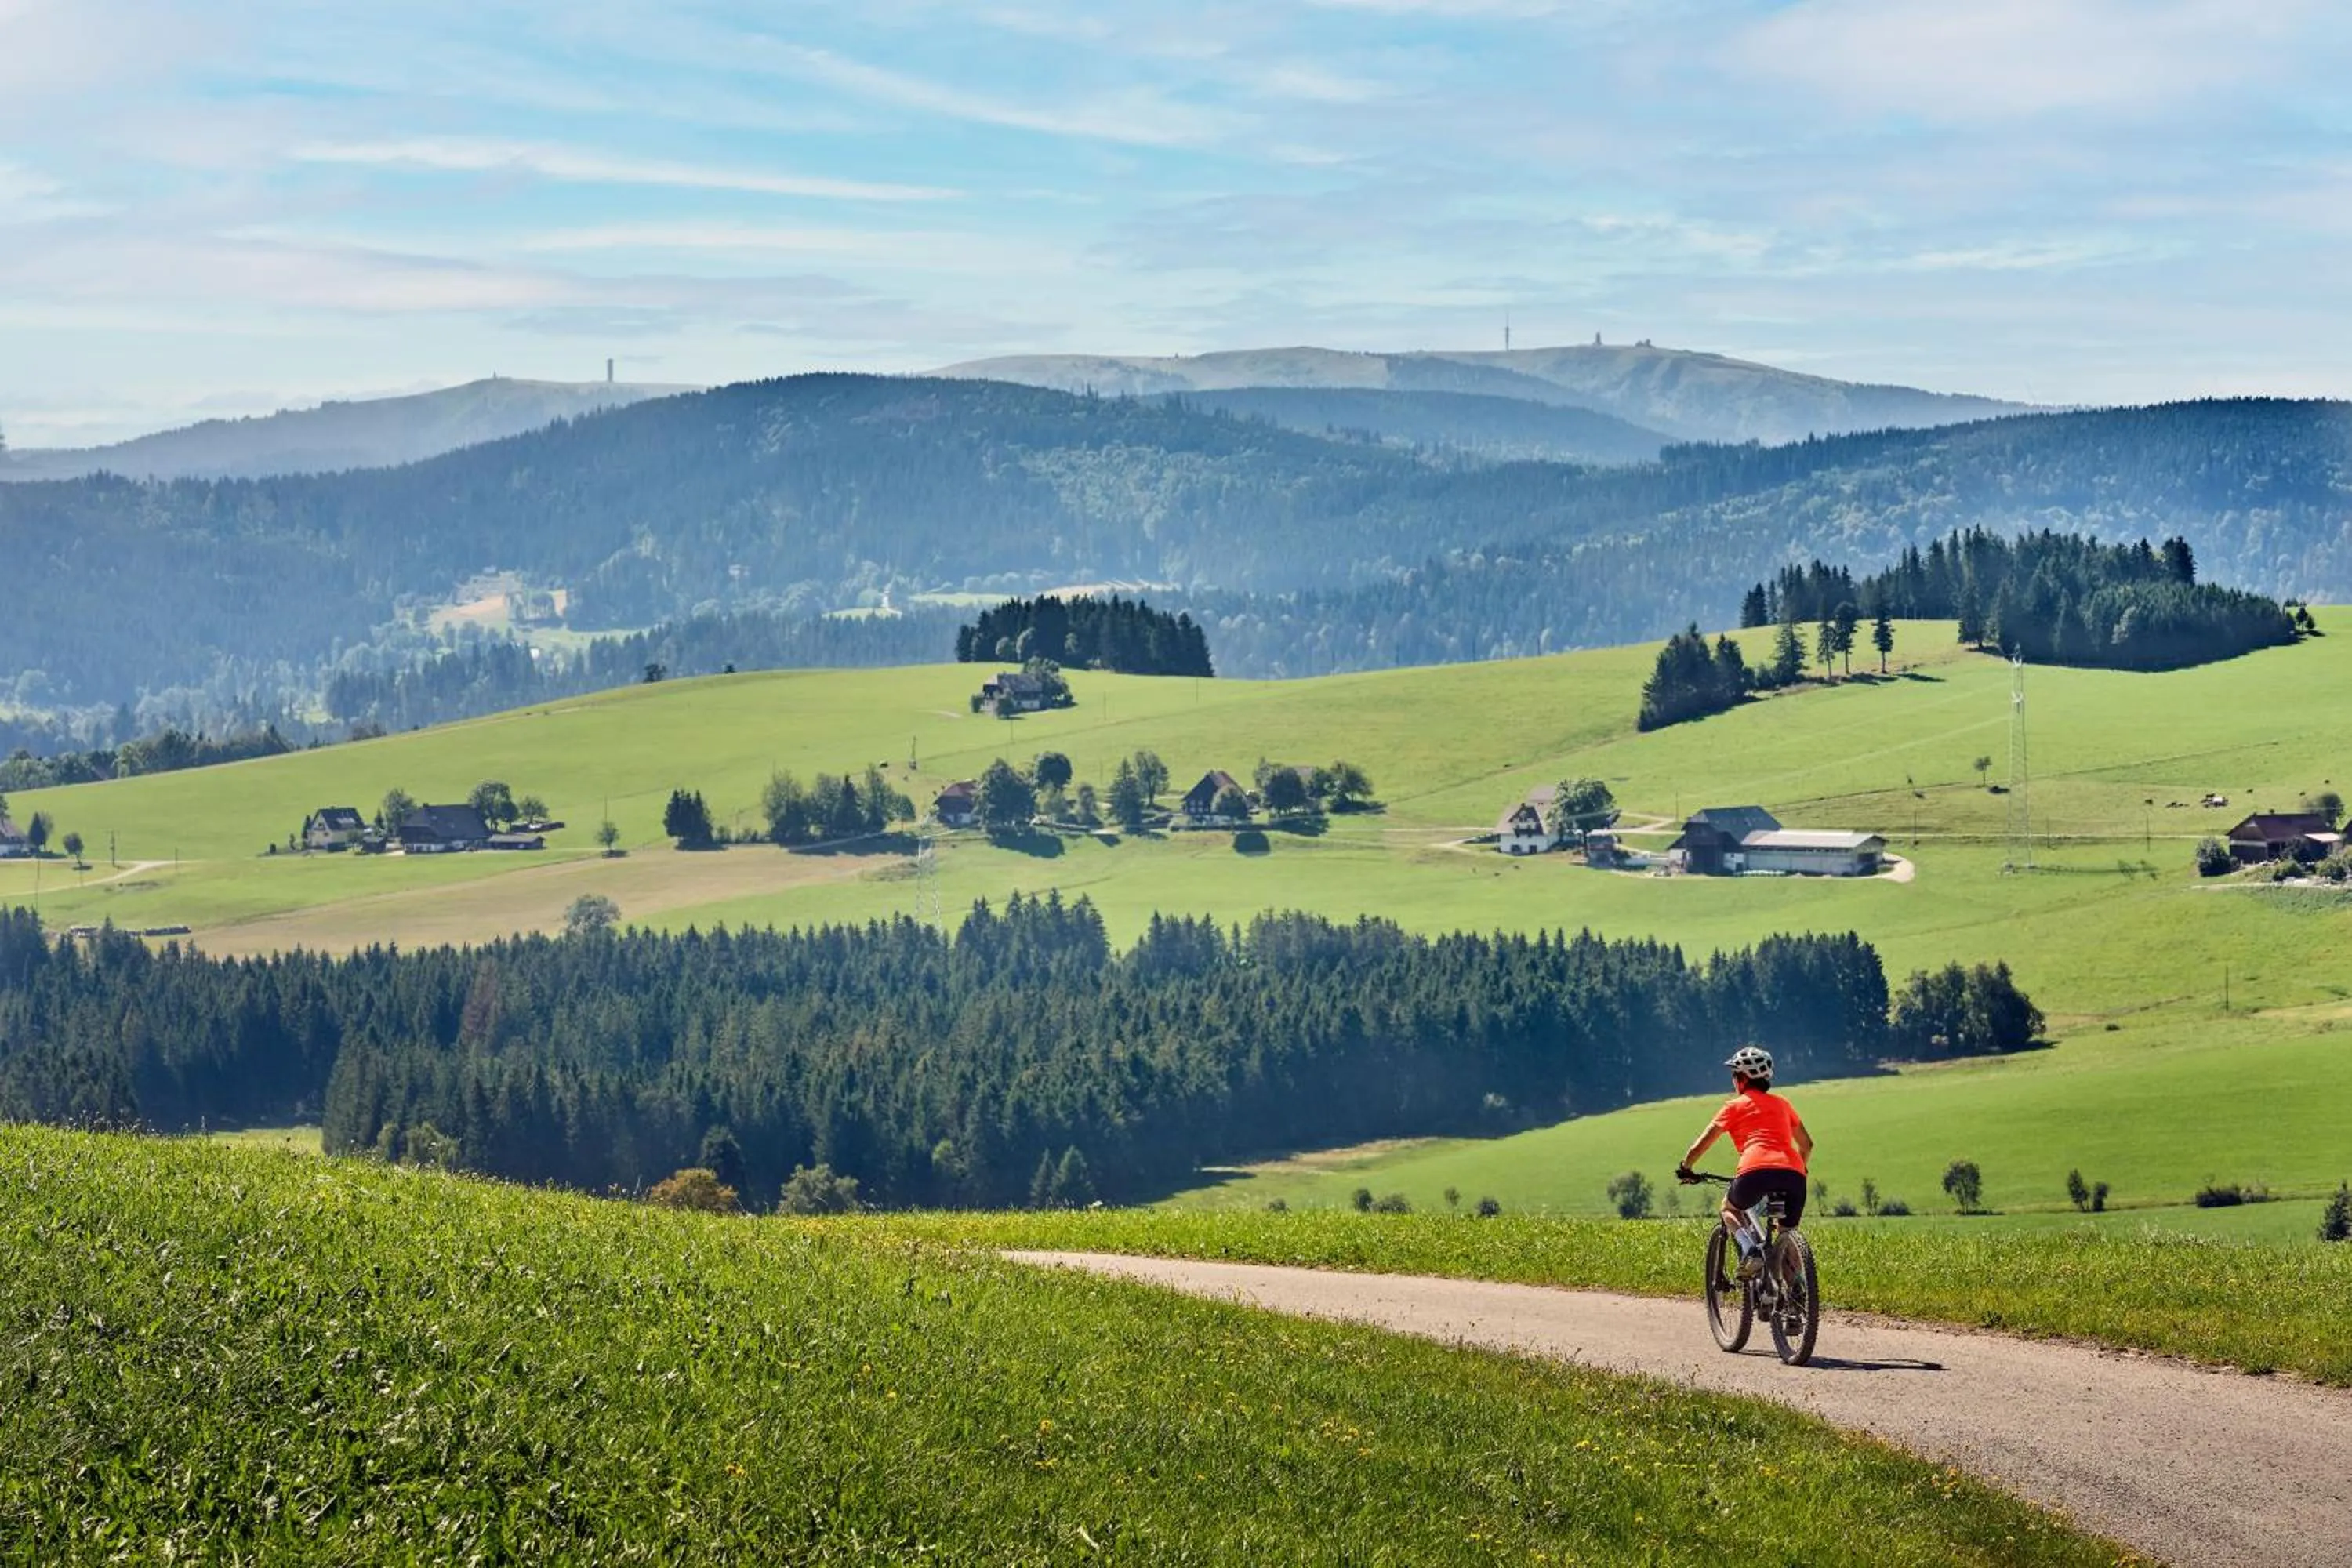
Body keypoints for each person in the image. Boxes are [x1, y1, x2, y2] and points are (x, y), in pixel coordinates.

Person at [1677, 1045, 1811, 1279]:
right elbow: (1807, 1144)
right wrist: (1801, 1169)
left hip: (1755, 1171)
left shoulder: (1734, 1106)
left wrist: (1686, 1167)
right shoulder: (1783, 1104)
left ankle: (1750, 1250)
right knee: (1787, 1233)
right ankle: (1799, 1292)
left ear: (1742, 1079)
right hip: (1793, 1173)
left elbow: (1703, 1142)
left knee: (1728, 1208)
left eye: (1734, 1075)